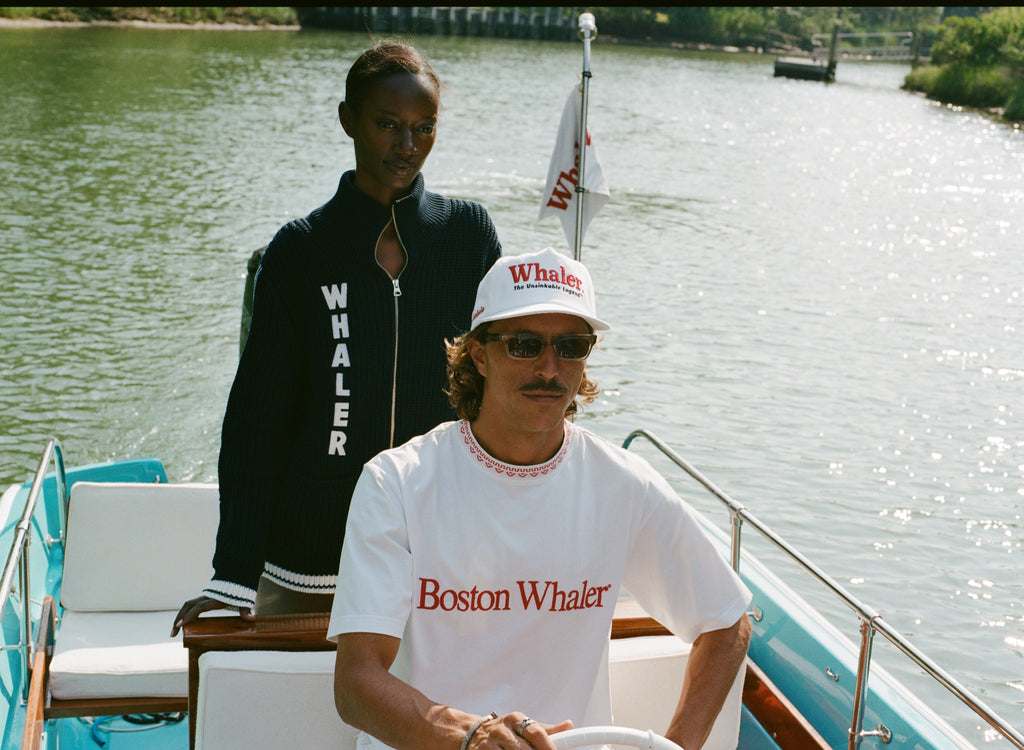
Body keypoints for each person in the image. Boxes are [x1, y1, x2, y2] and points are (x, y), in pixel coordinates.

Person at [329, 247, 752, 750]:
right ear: (479, 354)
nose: (551, 368)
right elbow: (355, 684)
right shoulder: (395, 483)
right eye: (526, 345)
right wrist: (471, 738)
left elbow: (728, 624)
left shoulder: (624, 485)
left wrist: (679, 745)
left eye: (572, 346)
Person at [172, 41, 501, 635]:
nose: (407, 146)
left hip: (442, 552)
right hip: (311, 560)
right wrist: (233, 574)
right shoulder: (300, 250)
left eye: (424, 128)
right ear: (348, 119)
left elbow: (501, 384)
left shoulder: (468, 237)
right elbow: (256, 417)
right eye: (387, 125)